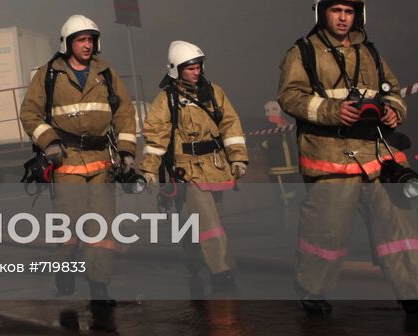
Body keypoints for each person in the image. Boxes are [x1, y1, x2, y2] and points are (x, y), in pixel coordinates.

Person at [278, 0, 418, 317]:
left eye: (349, 11)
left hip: (378, 156)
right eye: (336, 10)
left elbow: (395, 92)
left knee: (399, 229)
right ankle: (313, 292)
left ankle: (415, 296)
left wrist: (392, 111)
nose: (343, 17)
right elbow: (290, 96)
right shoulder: (302, 52)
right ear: (321, 14)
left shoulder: (371, 53)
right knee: (326, 230)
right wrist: (331, 111)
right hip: (330, 157)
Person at [20, 15, 137, 306]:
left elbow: (124, 113)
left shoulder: (105, 72)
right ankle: (65, 269)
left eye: (90, 40)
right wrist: (49, 142)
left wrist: (126, 153)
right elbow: (30, 113)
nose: (87, 45)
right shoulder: (49, 74)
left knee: (101, 227)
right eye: (81, 40)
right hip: (66, 160)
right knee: (69, 226)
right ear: (68, 43)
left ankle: (99, 286)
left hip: (101, 159)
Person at [139, 41, 248, 297]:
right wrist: (150, 169)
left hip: (216, 166)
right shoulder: (166, 99)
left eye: (198, 66)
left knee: (212, 219)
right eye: (190, 68)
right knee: (208, 221)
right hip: (187, 170)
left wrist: (238, 158)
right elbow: (156, 136)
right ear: (176, 69)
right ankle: (221, 270)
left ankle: (192, 250)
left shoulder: (214, 92)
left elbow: (231, 125)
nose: (196, 71)